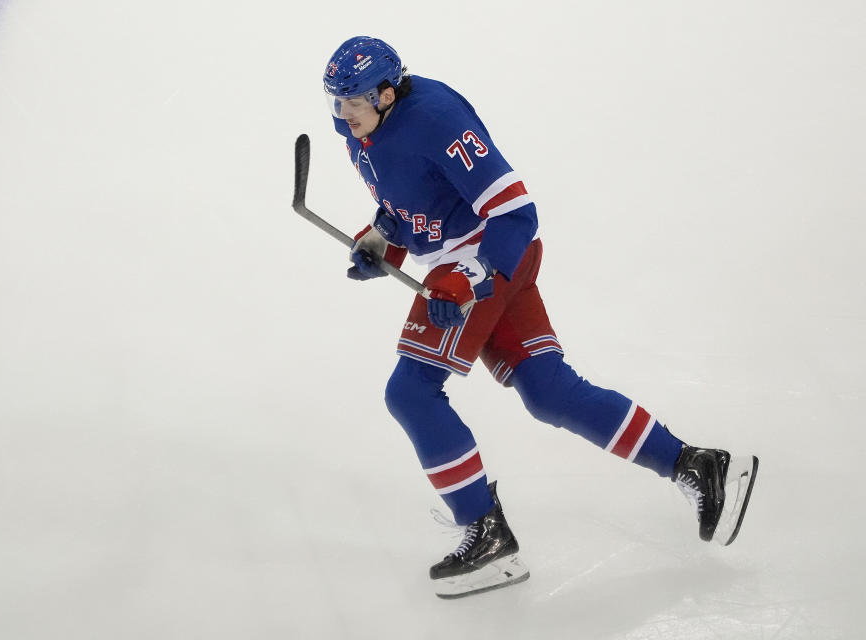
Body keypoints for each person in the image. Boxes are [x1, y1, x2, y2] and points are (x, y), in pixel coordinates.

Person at [321, 36, 759, 599]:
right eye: (335, 102)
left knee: (411, 391)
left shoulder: (437, 117)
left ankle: (486, 535)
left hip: (487, 257)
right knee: (548, 391)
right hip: (477, 261)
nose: (341, 115)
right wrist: (384, 239)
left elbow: (514, 213)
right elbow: (413, 200)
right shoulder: (363, 129)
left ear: (386, 93)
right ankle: (698, 466)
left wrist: (472, 275)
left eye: (351, 102)